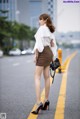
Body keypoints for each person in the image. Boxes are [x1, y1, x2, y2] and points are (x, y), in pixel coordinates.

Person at [32, 13, 57, 115]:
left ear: (45, 20)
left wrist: (36, 55)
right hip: (49, 53)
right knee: (46, 77)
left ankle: (38, 102)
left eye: (40, 19)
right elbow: (53, 44)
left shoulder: (42, 29)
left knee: (37, 77)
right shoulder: (50, 30)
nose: (39, 21)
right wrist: (52, 56)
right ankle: (46, 100)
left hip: (43, 52)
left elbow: (38, 44)